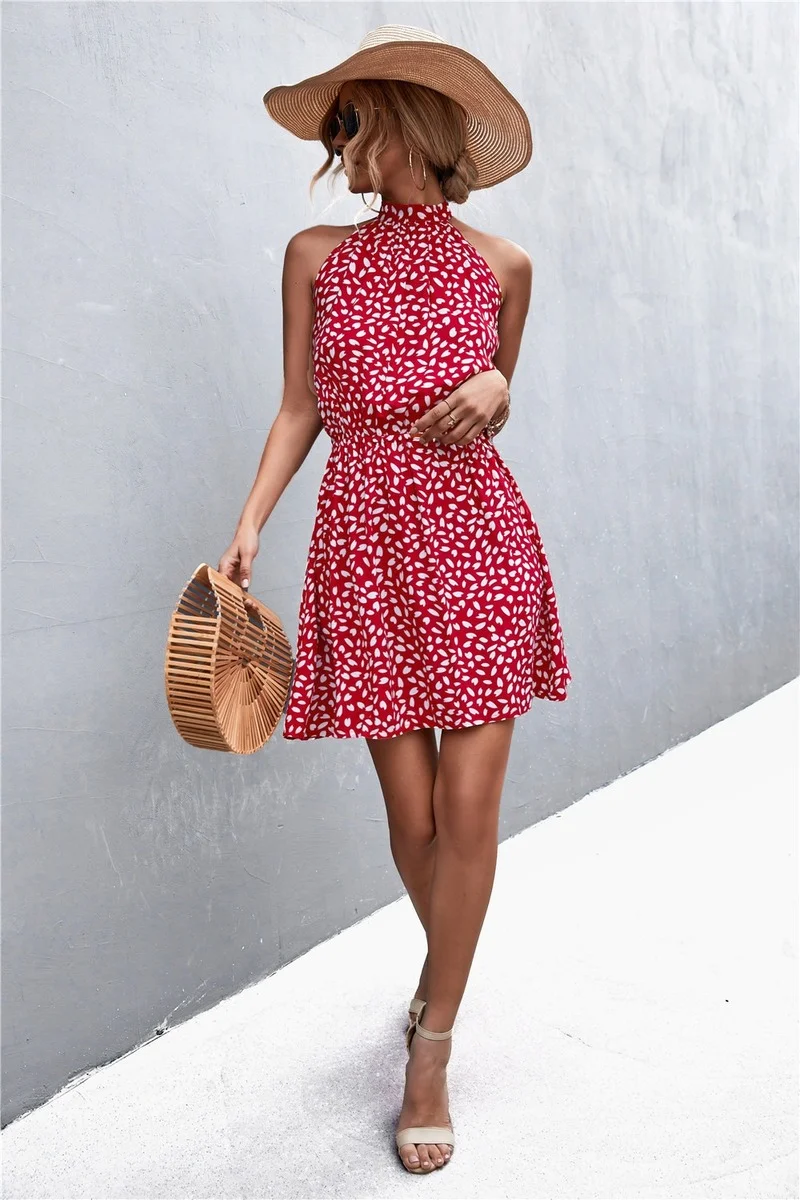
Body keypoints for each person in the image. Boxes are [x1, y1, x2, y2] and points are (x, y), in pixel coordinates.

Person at [218, 24, 571, 1174]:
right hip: (364, 548)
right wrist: (250, 521)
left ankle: (431, 1045)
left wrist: (495, 384)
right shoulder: (314, 254)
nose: (334, 146)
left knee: (466, 815)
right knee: (411, 821)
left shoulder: (504, 266)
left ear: (406, 125)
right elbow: (298, 407)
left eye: (347, 121)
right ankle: (444, 977)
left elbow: (496, 397)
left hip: (477, 543)